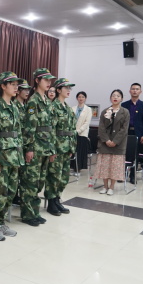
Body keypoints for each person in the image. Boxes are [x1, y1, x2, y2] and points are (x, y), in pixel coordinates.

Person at [0, 71, 24, 241]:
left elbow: (18, 134)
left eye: (17, 85)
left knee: (10, 192)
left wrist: (20, 156)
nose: (16, 87)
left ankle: (1, 221)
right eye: (12, 84)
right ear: (3, 86)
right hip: (1, 158)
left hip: (14, 157)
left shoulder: (14, 107)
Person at [19, 68, 57, 226]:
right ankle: (28, 214)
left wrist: (52, 149)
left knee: (40, 181)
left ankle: (35, 211)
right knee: (30, 182)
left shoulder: (47, 101)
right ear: (37, 80)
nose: (49, 82)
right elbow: (29, 127)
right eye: (45, 80)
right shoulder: (33, 101)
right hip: (35, 148)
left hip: (45, 148)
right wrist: (29, 148)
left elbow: (51, 127)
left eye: (50, 80)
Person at [45, 78, 77, 215]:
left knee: (63, 177)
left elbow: (73, 129)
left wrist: (72, 147)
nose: (69, 90)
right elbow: (51, 130)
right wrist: (52, 150)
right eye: (66, 88)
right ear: (58, 90)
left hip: (66, 147)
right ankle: (51, 202)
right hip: (57, 147)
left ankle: (57, 199)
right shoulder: (53, 107)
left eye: (70, 88)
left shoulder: (68, 108)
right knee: (54, 175)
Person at [94, 89, 130, 195]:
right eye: (113, 95)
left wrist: (115, 141)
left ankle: (112, 187)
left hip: (118, 144)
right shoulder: (105, 111)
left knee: (114, 167)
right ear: (110, 98)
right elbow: (101, 128)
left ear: (121, 99)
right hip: (104, 144)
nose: (115, 97)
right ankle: (105, 186)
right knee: (104, 166)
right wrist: (106, 140)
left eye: (118, 96)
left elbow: (124, 129)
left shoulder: (125, 112)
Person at [121, 83, 143, 184]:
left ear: (140, 91)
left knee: (135, 155)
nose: (135, 91)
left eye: (137, 89)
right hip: (126, 132)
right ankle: (122, 175)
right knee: (124, 153)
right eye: (133, 89)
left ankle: (133, 176)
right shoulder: (124, 105)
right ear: (130, 91)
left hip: (138, 133)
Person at [72, 91, 92, 171]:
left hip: (82, 133)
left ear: (85, 98)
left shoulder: (88, 109)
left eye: (83, 97)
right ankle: (72, 167)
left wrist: (79, 131)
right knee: (73, 150)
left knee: (80, 151)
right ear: (77, 98)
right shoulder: (72, 108)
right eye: (79, 97)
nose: (81, 98)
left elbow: (87, 122)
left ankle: (78, 168)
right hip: (73, 132)